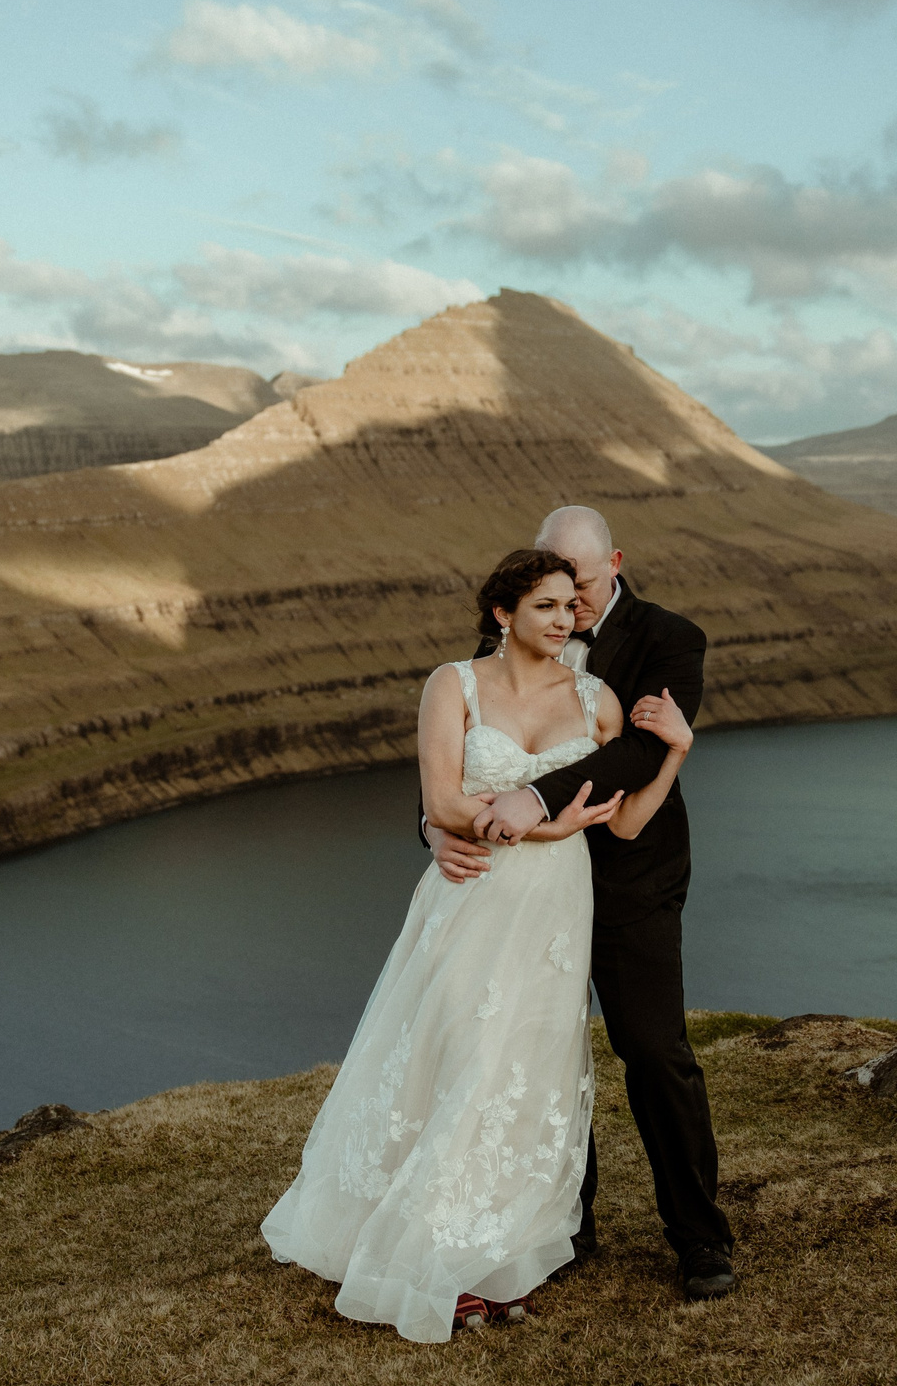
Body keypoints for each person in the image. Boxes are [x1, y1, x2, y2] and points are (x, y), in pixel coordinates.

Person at [261, 547, 694, 1343]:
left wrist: (675, 752)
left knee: (522, 1076)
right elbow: (445, 802)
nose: (566, 621)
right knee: (455, 1057)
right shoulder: (451, 685)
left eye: (572, 607)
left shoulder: (599, 702)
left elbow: (628, 823)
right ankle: (426, 1252)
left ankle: (492, 1259)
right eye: (548, 608)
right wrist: (549, 822)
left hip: (555, 916)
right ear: (504, 614)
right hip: (470, 898)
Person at [427, 506, 738, 1303]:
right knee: (534, 1053)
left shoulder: (673, 638)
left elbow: (638, 751)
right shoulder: (509, 646)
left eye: (585, 588)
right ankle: (564, 1225)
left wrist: (533, 800)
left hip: (631, 879)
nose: (571, 608)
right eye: (555, 589)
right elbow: (465, 753)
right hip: (524, 890)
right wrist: (433, 823)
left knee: (654, 1052)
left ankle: (700, 1238)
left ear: (616, 563)